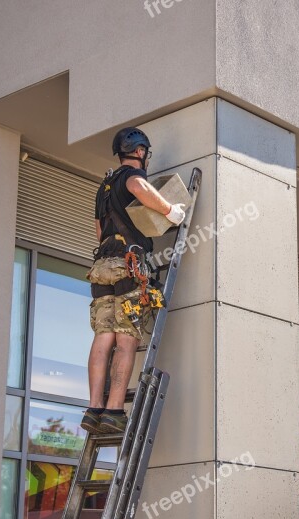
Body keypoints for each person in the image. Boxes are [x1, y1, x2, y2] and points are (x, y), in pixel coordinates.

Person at [81, 127, 185, 434]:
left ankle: (93, 408)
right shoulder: (129, 176)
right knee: (126, 337)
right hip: (128, 263)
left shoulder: (104, 186)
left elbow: (100, 233)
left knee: (103, 337)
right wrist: (170, 210)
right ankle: (113, 411)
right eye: (146, 154)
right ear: (140, 152)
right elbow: (140, 188)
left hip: (102, 265)